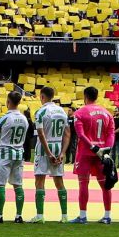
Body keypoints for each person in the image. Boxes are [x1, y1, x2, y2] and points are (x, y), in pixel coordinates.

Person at [72, 86, 116, 225]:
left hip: (85, 152)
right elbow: (111, 133)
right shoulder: (107, 113)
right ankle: (107, 216)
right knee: (105, 184)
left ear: (85, 96)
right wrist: (106, 150)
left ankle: (83, 216)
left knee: (83, 183)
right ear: (97, 96)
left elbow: (80, 134)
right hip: (102, 154)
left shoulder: (79, 113)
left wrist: (92, 147)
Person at [31, 86, 70, 223]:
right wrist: (63, 152)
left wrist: (48, 153)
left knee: (39, 181)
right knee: (59, 181)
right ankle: (64, 215)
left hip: (44, 149)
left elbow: (41, 134)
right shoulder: (62, 111)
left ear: (42, 97)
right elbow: (67, 134)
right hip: (58, 146)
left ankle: (40, 216)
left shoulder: (40, 112)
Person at [0, 91, 30, 224]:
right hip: (19, 153)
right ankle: (18, 216)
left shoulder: (4, 118)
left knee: (0, 184)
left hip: (5, 153)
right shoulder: (24, 119)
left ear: (8, 102)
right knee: (18, 185)